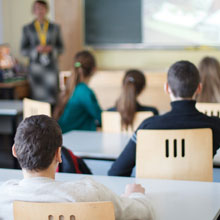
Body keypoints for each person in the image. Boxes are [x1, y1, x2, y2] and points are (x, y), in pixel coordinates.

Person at [0, 115, 154, 220]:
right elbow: (144, 213)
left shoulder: (3, 197)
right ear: (59, 154)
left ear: (15, 151)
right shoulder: (90, 193)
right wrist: (135, 195)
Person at [108, 60, 220, 177]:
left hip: (155, 193)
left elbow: (116, 172)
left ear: (167, 88)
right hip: (202, 194)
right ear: (199, 88)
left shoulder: (148, 126)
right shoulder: (216, 125)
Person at [20, 0, 64, 105]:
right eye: (37, 8)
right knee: (37, 100)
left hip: (51, 68)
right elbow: (23, 50)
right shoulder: (27, 29)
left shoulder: (55, 28)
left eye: (42, 8)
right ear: (33, 11)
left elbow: (61, 48)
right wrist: (36, 50)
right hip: (36, 69)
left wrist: (52, 49)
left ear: (46, 10)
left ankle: (53, 120)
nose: (40, 11)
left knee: (53, 98)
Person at [53, 50, 102, 133]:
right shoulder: (84, 92)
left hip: (63, 136)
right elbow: (101, 117)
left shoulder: (72, 87)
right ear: (94, 69)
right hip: (73, 140)